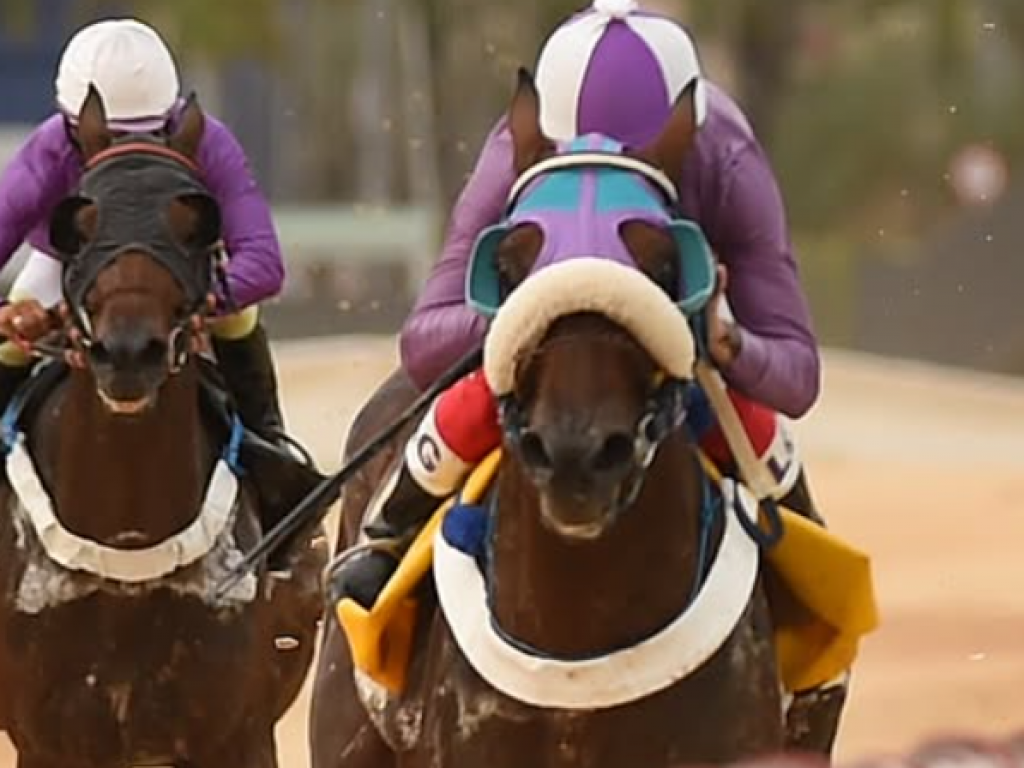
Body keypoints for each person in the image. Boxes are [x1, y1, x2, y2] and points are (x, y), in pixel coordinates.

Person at [332, 0, 823, 604]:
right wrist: (520, 313)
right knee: (477, 390)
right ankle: (385, 537)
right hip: (541, 347)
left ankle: (809, 614)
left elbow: (797, 378)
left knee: (747, 423)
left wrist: (730, 340)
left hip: (673, 349)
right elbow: (424, 345)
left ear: (685, 130)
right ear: (545, 130)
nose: (602, 150)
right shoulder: (510, 153)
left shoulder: (725, 157)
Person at [0, 18, 293, 450]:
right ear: (74, 125)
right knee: (14, 337)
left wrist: (204, 300)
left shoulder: (210, 141)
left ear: (172, 119)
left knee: (239, 316)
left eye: (150, 135)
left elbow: (265, 263)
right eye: (109, 138)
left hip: (178, 274)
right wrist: (5, 314)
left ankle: (269, 444)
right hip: (66, 269)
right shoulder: (49, 150)